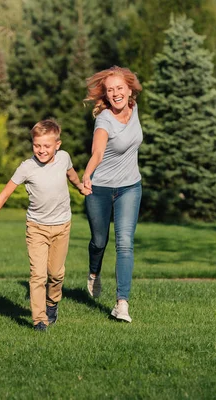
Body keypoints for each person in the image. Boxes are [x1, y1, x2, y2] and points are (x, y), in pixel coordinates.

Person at [0, 120, 90, 332]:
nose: (41, 150)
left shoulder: (64, 158)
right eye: (37, 145)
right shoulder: (27, 167)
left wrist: (81, 187)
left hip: (62, 226)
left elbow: (71, 174)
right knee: (38, 274)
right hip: (36, 228)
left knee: (56, 274)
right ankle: (39, 319)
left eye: (46, 146)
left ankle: (52, 302)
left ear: (58, 144)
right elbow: (5, 194)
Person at [82, 66, 143, 323]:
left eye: (120, 88)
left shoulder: (134, 109)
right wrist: (86, 174)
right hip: (100, 188)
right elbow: (97, 152)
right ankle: (94, 272)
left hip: (130, 186)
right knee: (99, 241)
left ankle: (122, 303)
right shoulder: (104, 119)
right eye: (110, 90)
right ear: (106, 95)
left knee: (125, 242)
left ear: (130, 90)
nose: (116, 93)